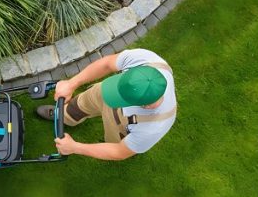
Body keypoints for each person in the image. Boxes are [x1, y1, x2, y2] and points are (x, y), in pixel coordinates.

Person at [37, 48, 177, 161]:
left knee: (114, 142)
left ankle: (114, 141)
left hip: (123, 123)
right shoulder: (146, 59)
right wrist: (71, 84)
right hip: (102, 92)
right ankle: (65, 116)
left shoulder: (152, 128)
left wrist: (75, 147)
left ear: (146, 105)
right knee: (83, 102)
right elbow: (107, 64)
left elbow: (119, 152)